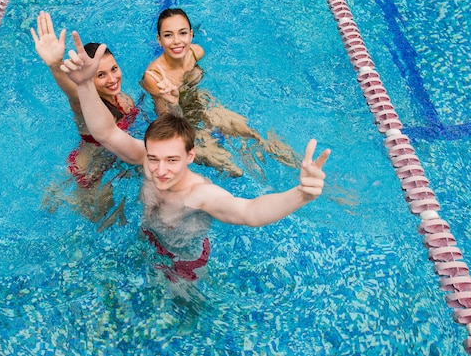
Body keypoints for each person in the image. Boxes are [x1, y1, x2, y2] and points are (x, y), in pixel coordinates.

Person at [60, 31, 331, 284]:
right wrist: (84, 84)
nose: (160, 170)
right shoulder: (146, 160)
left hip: (184, 260)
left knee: (182, 314)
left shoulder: (200, 194)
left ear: (190, 156)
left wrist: (300, 195)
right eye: (154, 158)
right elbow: (106, 132)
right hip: (146, 238)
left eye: (172, 160)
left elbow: (250, 212)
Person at [140, 8, 301, 177]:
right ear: (159, 40)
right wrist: (174, 102)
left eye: (182, 33)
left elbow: (197, 85)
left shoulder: (195, 52)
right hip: (180, 122)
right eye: (168, 35)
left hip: (201, 104)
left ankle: (301, 166)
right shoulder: (155, 77)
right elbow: (167, 123)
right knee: (233, 169)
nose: (177, 41)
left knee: (255, 135)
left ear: (191, 34)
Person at [31, 11, 138, 230]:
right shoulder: (87, 104)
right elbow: (75, 93)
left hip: (110, 162)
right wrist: (55, 65)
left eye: (114, 69)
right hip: (89, 171)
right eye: (100, 75)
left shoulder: (122, 97)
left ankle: (58, 191)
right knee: (96, 220)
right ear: (88, 78)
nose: (112, 79)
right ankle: (59, 195)